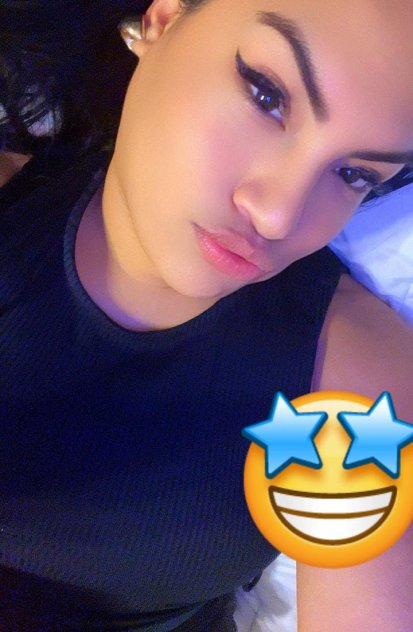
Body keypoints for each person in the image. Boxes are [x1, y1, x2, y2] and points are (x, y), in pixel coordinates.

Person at [1, 0, 413, 630]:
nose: (278, 215)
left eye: (353, 173)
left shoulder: (345, 376)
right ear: (164, 18)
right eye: (267, 96)